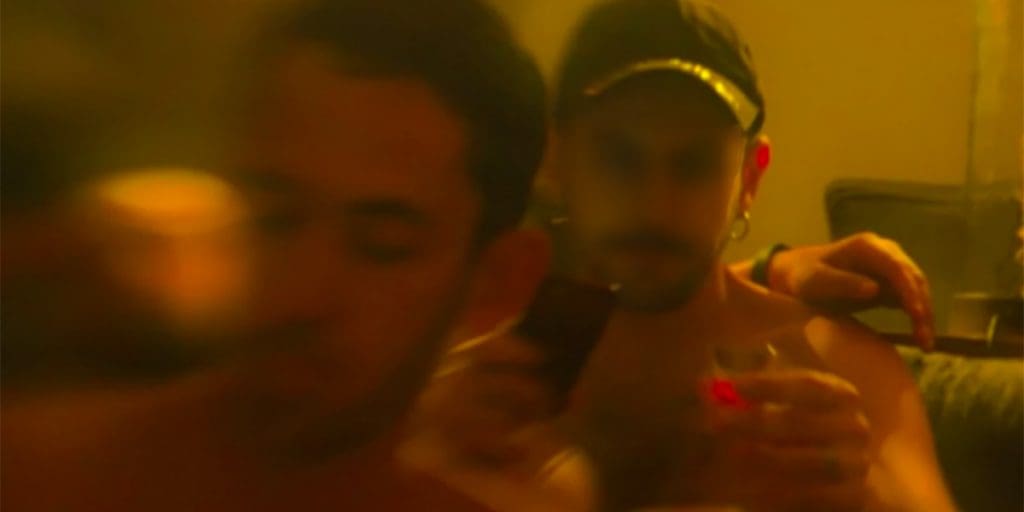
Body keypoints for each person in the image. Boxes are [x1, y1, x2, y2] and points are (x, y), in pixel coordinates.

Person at [2, 0, 551, 510]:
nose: (298, 295)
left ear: (498, 280)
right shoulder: (33, 476)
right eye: (274, 218)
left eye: (383, 246)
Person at [413, 1, 955, 511]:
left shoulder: (834, 366)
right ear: (556, 158)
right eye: (619, 157)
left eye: (694, 163)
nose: (655, 204)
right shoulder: (466, 350)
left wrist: (863, 494)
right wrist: (421, 450)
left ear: (749, 178)